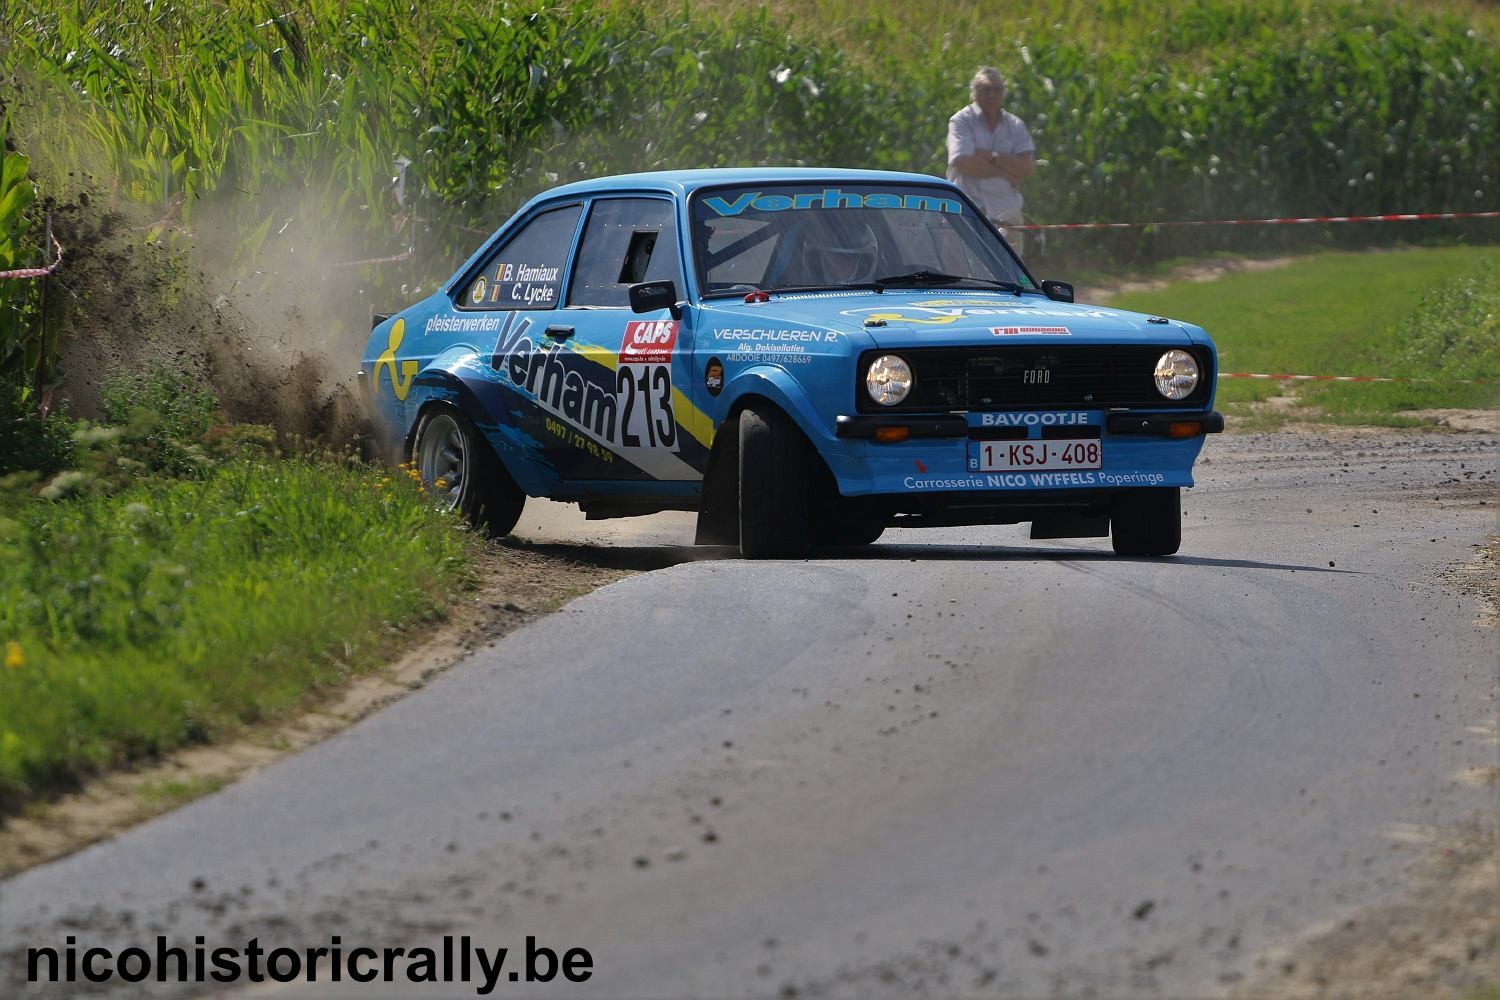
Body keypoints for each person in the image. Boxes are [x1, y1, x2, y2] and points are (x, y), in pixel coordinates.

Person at [946, 66, 1035, 257]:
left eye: (997, 90)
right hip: (968, 209)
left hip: (1007, 210)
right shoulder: (961, 121)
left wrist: (994, 157)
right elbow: (963, 162)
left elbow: (1026, 167)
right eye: (986, 89)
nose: (992, 95)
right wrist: (1006, 172)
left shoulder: (1015, 125)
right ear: (974, 92)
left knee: (1011, 271)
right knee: (965, 269)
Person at [800, 217, 879, 286]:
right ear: (818, 259)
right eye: (833, 257)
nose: (839, 264)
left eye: (847, 258)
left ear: (861, 262)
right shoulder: (799, 288)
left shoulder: (879, 290)